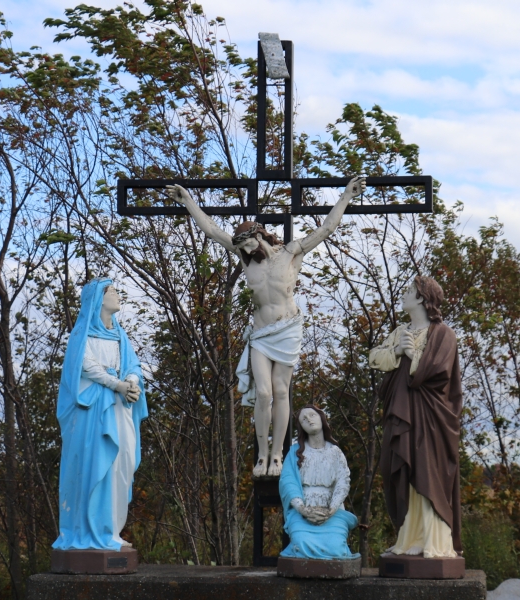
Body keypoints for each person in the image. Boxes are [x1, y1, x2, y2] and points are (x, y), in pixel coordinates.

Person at [166, 178, 365, 476]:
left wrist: (346, 196)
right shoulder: (248, 263)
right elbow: (211, 230)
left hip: (287, 330)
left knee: (281, 392)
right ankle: (261, 455)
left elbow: (326, 229)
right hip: (260, 334)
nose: (246, 249)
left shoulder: (291, 253)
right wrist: (188, 201)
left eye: (248, 242)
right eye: (242, 246)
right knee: (263, 393)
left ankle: (277, 457)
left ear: (260, 236)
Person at [369, 276, 462, 558]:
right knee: (400, 467)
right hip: (401, 411)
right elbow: (374, 357)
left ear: (422, 298)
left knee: (427, 471)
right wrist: (399, 352)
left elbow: (440, 372)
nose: (404, 294)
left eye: (409, 291)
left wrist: (414, 359)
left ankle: (434, 540)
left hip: (432, 418)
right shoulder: (400, 331)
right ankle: (409, 537)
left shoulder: (443, 334)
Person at [52, 278, 148, 551]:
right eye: (112, 291)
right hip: (93, 412)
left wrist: (130, 381)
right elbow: (85, 366)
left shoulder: (120, 335)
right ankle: (90, 531)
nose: (118, 295)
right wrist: (116, 384)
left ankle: (111, 531)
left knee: (121, 464)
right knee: (96, 467)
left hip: (119, 409)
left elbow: (134, 364)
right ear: (98, 299)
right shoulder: (81, 334)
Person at [279, 404, 360, 560]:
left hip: (332, 512)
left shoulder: (335, 452)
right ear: (301, 427)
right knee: (301, 545)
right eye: (303, 419)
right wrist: (303, 510)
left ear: (322, 418)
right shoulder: (294, 453)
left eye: (312, 415)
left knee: (336, 548)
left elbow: (343, 482)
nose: (309, 420)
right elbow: (288, 483)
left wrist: (330, 510)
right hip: (303, 513)